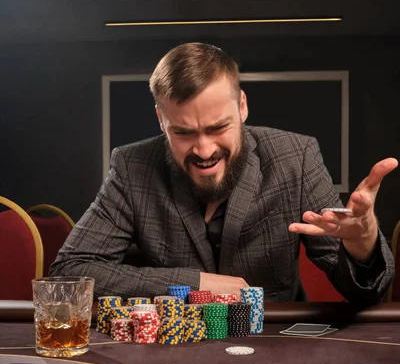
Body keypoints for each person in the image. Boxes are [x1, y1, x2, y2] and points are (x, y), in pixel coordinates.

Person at [50, 43, 397, 304]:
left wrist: (362, 244)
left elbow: (367, 294)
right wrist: (196, 283)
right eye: (183, 133)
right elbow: (69, 274)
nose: (203, 150)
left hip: (275, 349)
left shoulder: (296, 157)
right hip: (167, 352)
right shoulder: (132, 166)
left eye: (218, 128)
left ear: (242, 106)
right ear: (161, 120)